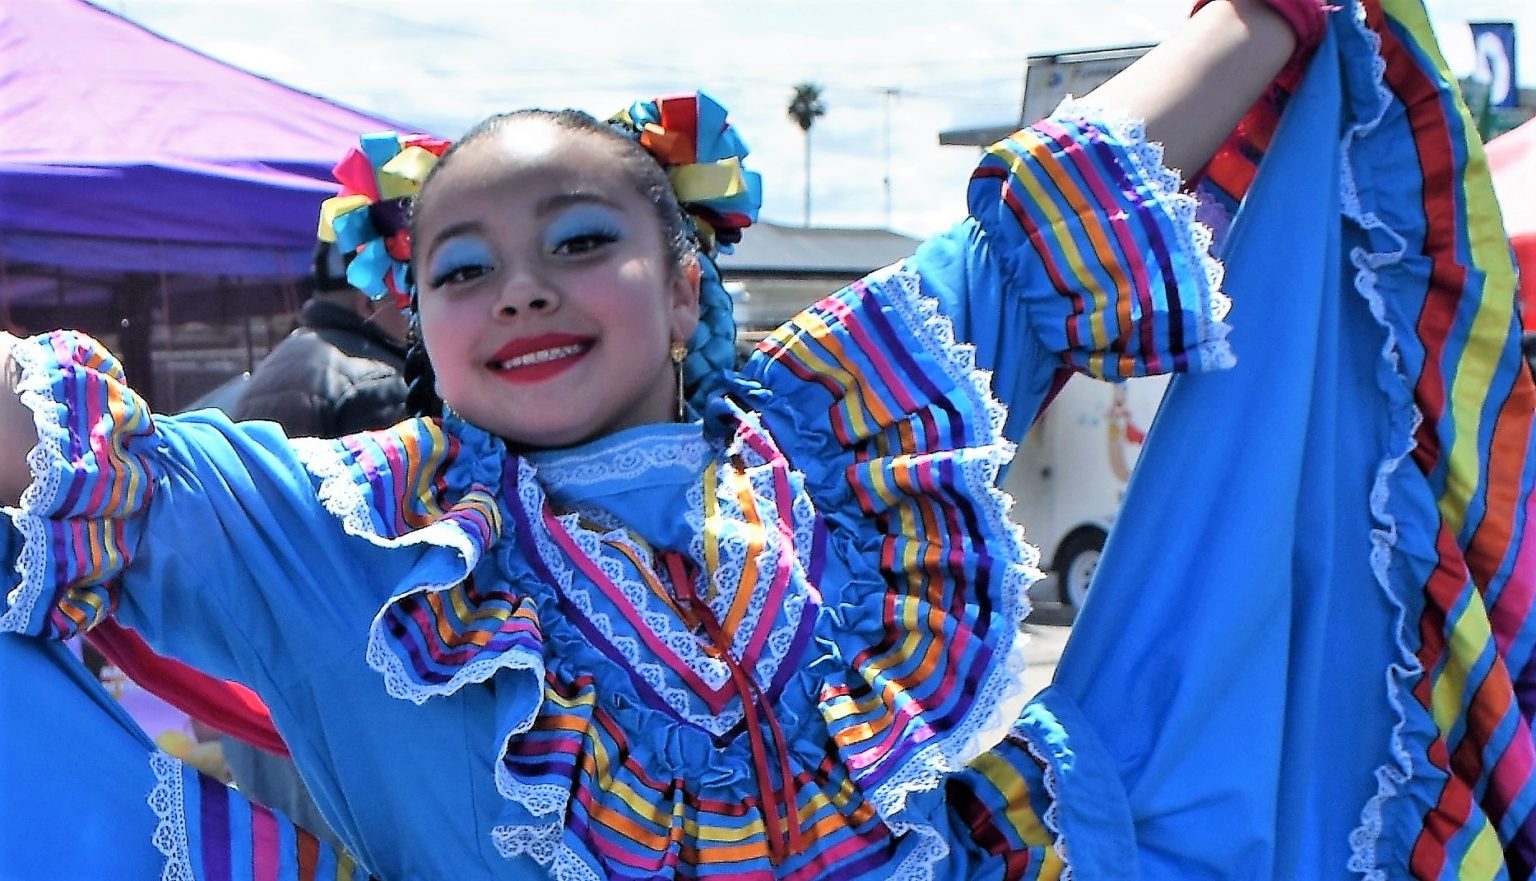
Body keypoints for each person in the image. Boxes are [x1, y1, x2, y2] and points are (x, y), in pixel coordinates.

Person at [1, 2, 1532, 880]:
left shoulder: (834, 422)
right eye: (461, 268)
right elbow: (59, 443)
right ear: (420, 323)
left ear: (683, 286)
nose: (519, 285)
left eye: (578, 239)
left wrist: (1263, 19)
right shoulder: (336, 525)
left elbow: (1041, 217)